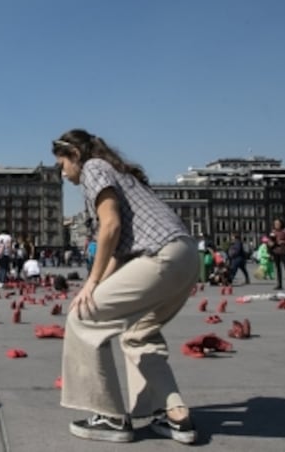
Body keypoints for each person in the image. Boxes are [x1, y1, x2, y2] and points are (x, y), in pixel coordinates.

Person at [53, 129, 198, 444]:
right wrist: (99, 283)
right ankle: (171, 412)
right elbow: (118, 255)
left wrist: (90, 283)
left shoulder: (93, 168)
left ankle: (109, 416)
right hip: (185, 257)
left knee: (83, 318)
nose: (62, 172)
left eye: (61, 163)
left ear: (74, 155)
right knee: (138, 333)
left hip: (160, 256)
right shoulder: (119, 172)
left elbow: (111, 226)